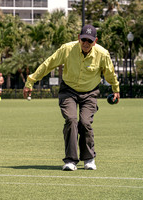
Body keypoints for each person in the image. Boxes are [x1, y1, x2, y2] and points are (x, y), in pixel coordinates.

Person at [23, 24, 120, 171]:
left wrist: (116, 89)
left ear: (95, 41)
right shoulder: (67, 49)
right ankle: (70, 160)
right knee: (71, 120)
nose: (86, 43)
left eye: (90, 40)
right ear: (78, 39)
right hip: (69, 90)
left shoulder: (103, 54)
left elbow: (109, 73)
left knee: (85, 122)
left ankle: (89, 158)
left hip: (90, 92)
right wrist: (30, 81)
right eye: (84, 40)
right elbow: (48, 64)